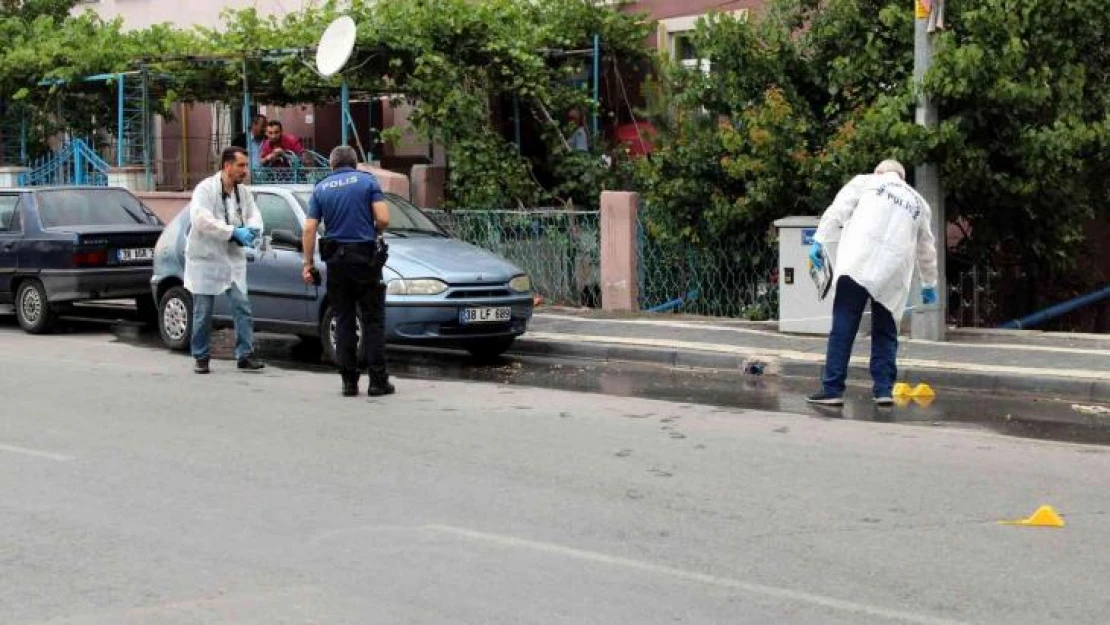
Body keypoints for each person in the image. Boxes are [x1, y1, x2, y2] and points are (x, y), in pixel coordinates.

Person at [806, 159, 939, 406]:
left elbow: (838, 210)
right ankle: (883, 390)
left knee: (844, 324)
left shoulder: (866, 182)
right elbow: (926, 249)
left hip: (858, 263)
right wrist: (929, 284)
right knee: (886, 331)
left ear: (880, 171)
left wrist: (819, 239)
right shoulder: (919, 203)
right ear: (903, 178)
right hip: (893, 273)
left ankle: (832, 388)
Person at [301, 146, 394, 397]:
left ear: (331, 165)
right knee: (373, 320)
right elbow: (383, 219)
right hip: (365, 259)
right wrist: (373, 228)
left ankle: (349, 382)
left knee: (344, 319)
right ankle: (377, 381)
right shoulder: (367, 181)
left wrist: (307, 264)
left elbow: (310, 228)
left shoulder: (321, 188)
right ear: (355, 164)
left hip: (336, 261)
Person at [183, 146, 266, 375]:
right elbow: (202, 220)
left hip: (232, 258)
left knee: (242, 306)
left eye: (246, 165)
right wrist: (232, 231)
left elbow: (254, 214)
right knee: (203, 311)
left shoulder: (243, 192)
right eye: (241, 165)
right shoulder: (205, 190)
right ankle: (201, 356)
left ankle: (245, 354)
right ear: (227, 166)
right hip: (206, 258)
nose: (245, 171)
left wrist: (251, 230)